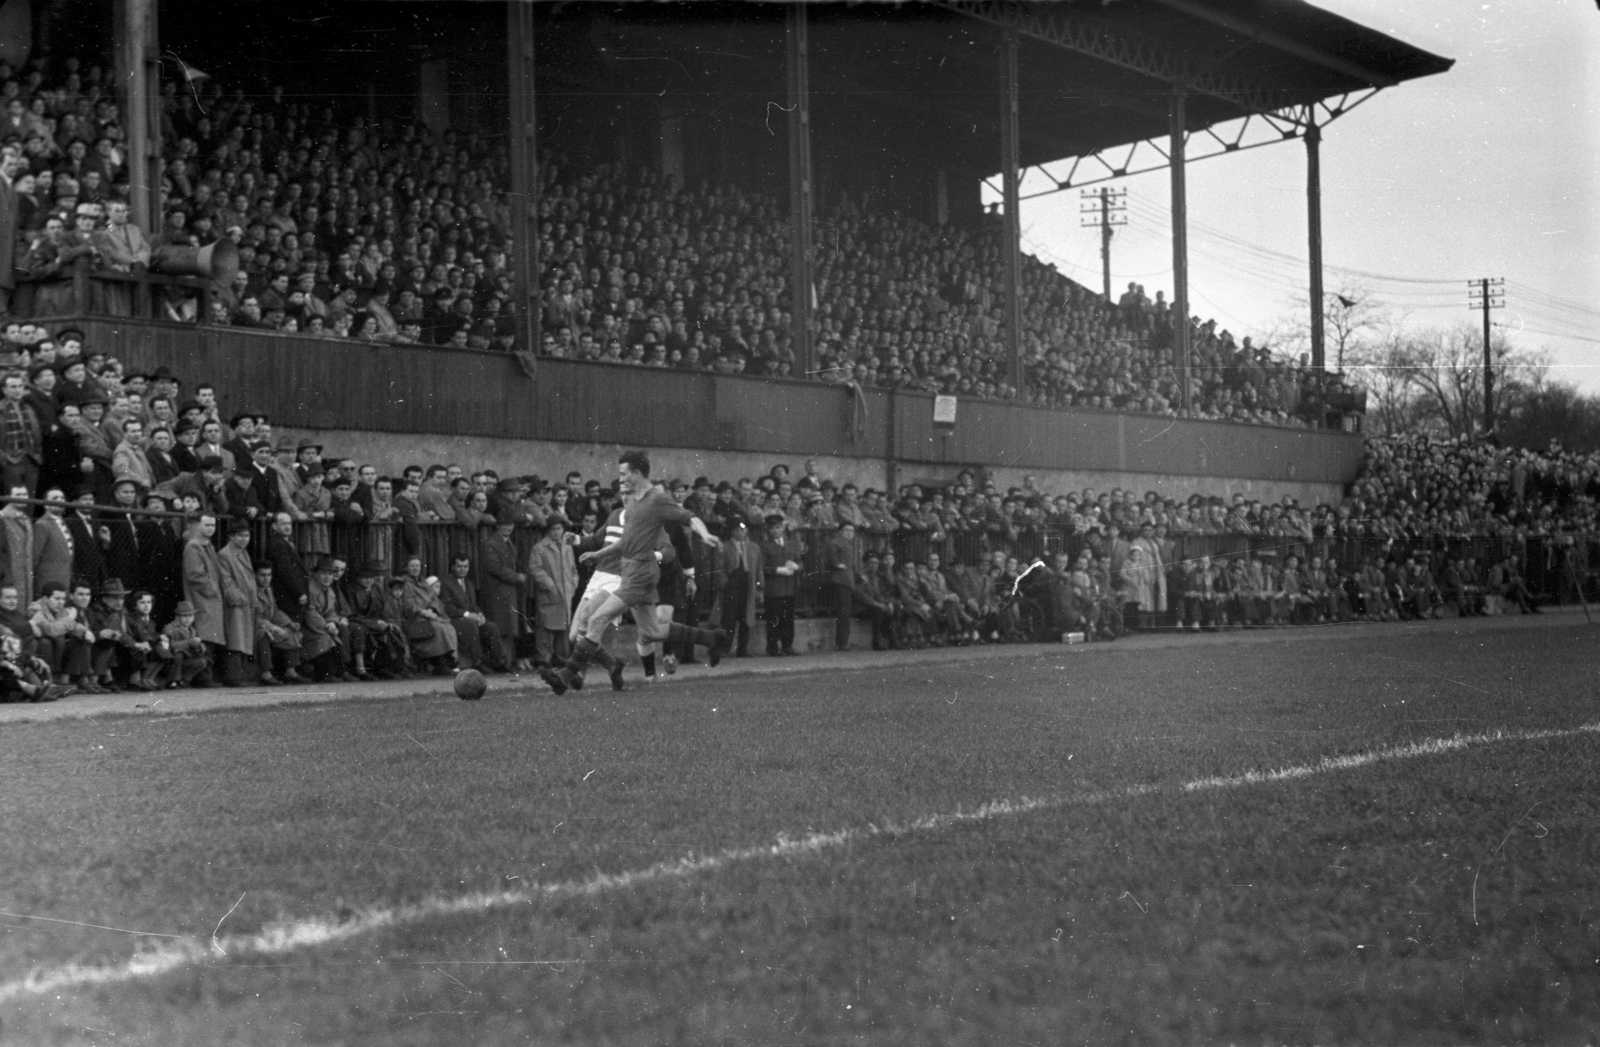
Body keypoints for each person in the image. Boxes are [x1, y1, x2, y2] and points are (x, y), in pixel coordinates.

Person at [541, 450, 723, 694]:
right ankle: (712, 638)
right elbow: (627, 540)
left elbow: (688, 517)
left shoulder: (656, 499)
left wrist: (705, 533)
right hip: (634, 573)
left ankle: (565, 676)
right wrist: (598, 554)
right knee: (652, 631)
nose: (622, 479)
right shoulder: (633, 504)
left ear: (638, 473)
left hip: (639, 575)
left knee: (595, 619)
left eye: (624, 474)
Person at [439, 553, 505, 674]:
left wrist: (480, 614)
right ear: (453, 567)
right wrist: (468, 615)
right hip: (453, 620)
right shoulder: (446, 583)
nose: (463, 569)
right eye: (459, 566)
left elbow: (473, 605)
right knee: (470, 625)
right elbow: (448, 608)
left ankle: (498, 662)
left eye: (465, 566)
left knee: (491, 627)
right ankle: (477, 662)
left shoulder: (469, 583)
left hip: (469, 619)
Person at [526, 517, 577, 671]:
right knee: (546, 627)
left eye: (559, 529)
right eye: (553, 529)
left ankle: (562, 657)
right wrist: (548, 584)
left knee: (564, 628)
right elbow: (535, 568)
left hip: (566, 592)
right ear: (548, 530)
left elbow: (573, 568)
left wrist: (574, 583)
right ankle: (543, 658)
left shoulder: (567, 546)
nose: (556, 532)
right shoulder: (539, 548)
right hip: (549, 593)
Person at [181, 513, 226, 672]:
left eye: (213, 525)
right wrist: (212, 589)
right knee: (205, 635)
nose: (210, 529)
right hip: (202, 597)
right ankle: (204, 675)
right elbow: (195, 574)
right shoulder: (194, 545)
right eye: (207, 525)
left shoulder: (206, 544)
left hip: (208, 597)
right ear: (198, 525)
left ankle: (207, 674)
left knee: (209, 635)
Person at [216, 518, 258, 685]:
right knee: (236, 640)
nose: (244, 539)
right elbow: (226, 581)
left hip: (245, 603)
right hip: (236, 604)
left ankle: (240, 675)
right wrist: (238, 597)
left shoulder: (243, 553)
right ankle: (233, 676)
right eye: (240, 535)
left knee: (242, 639)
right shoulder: (225, 555)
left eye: (246, 535)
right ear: (231, 537)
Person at [714, 520, 760, 657]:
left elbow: (758, 569)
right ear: (732, 532)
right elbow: (719, 568)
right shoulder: (725, 547)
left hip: (747, 584)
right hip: (732, 585)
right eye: (737, 530)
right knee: (729, 618)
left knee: (746, 618)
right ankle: (724, 648)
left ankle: (742, 648)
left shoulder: (753, 547)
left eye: (743, 529)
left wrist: (760, 587)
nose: (740, 532)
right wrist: (725, 583)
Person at [758, 512, 802, 656]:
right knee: (774, 619)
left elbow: (800, 562)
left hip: (789, 588)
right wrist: (777, 570)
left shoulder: (791, 543)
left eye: (777, 527)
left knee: (788, 618)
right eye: (772, 528)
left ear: (782, 528)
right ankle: (772, 647)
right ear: (768, 530)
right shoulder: (764, 546)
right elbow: (762, 567)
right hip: (774, 589)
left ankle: (787, 645)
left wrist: (796, 566)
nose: (775, 531)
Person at [160, 599, 212, 688]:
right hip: (171, 661)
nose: (188, 619)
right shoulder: (170, 628)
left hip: (185, 659)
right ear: (177, 617)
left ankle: (183, 680)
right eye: (184, 616)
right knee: (178, 655)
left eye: (190, 616)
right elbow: (169, 645)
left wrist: (199, 646)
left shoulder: (192, 629)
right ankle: (173, 681)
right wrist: (188, 642)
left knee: (202, 661)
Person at [827, 521, 860, 651]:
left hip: (847, 580)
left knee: (845, 613)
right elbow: (833, 560)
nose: (849, 533)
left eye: (851, 531)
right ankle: (842, 642)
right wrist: (839, 565)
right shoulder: (835, 542)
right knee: (843, 613)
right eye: (846, 530)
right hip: (841, 580)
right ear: (840, 531)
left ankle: (843, 641)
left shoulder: (848, 544)